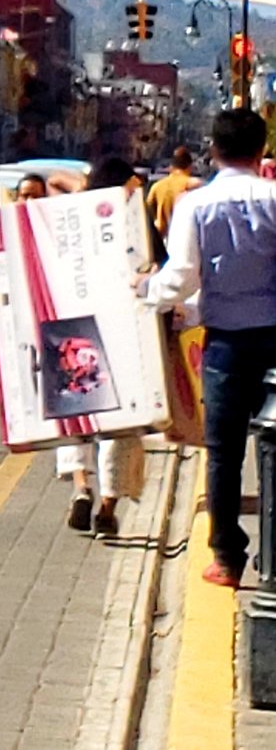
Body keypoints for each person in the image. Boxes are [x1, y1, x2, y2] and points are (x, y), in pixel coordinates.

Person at [147, 106, 276, 588]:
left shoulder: (195, 205)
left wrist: (148, 298)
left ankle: (227, 557)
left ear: (213, 151)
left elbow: (181, 276)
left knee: (223, 452)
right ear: (261, 149)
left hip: (227, 346)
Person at [53, 156, 149, 536]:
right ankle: (108, 505)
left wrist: (79, 188)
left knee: (76, 413)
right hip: (126, 329)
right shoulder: (134, 224)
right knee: (122, 424)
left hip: (75, 328)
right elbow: (154, 268)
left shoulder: (70, 219)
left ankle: (81, 487)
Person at [149, 145, 201, 246]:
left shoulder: (157, 186)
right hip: (186, 240)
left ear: (172, 167)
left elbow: (148, 211)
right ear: (190, 166)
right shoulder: (193, 185)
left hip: (162, 242)